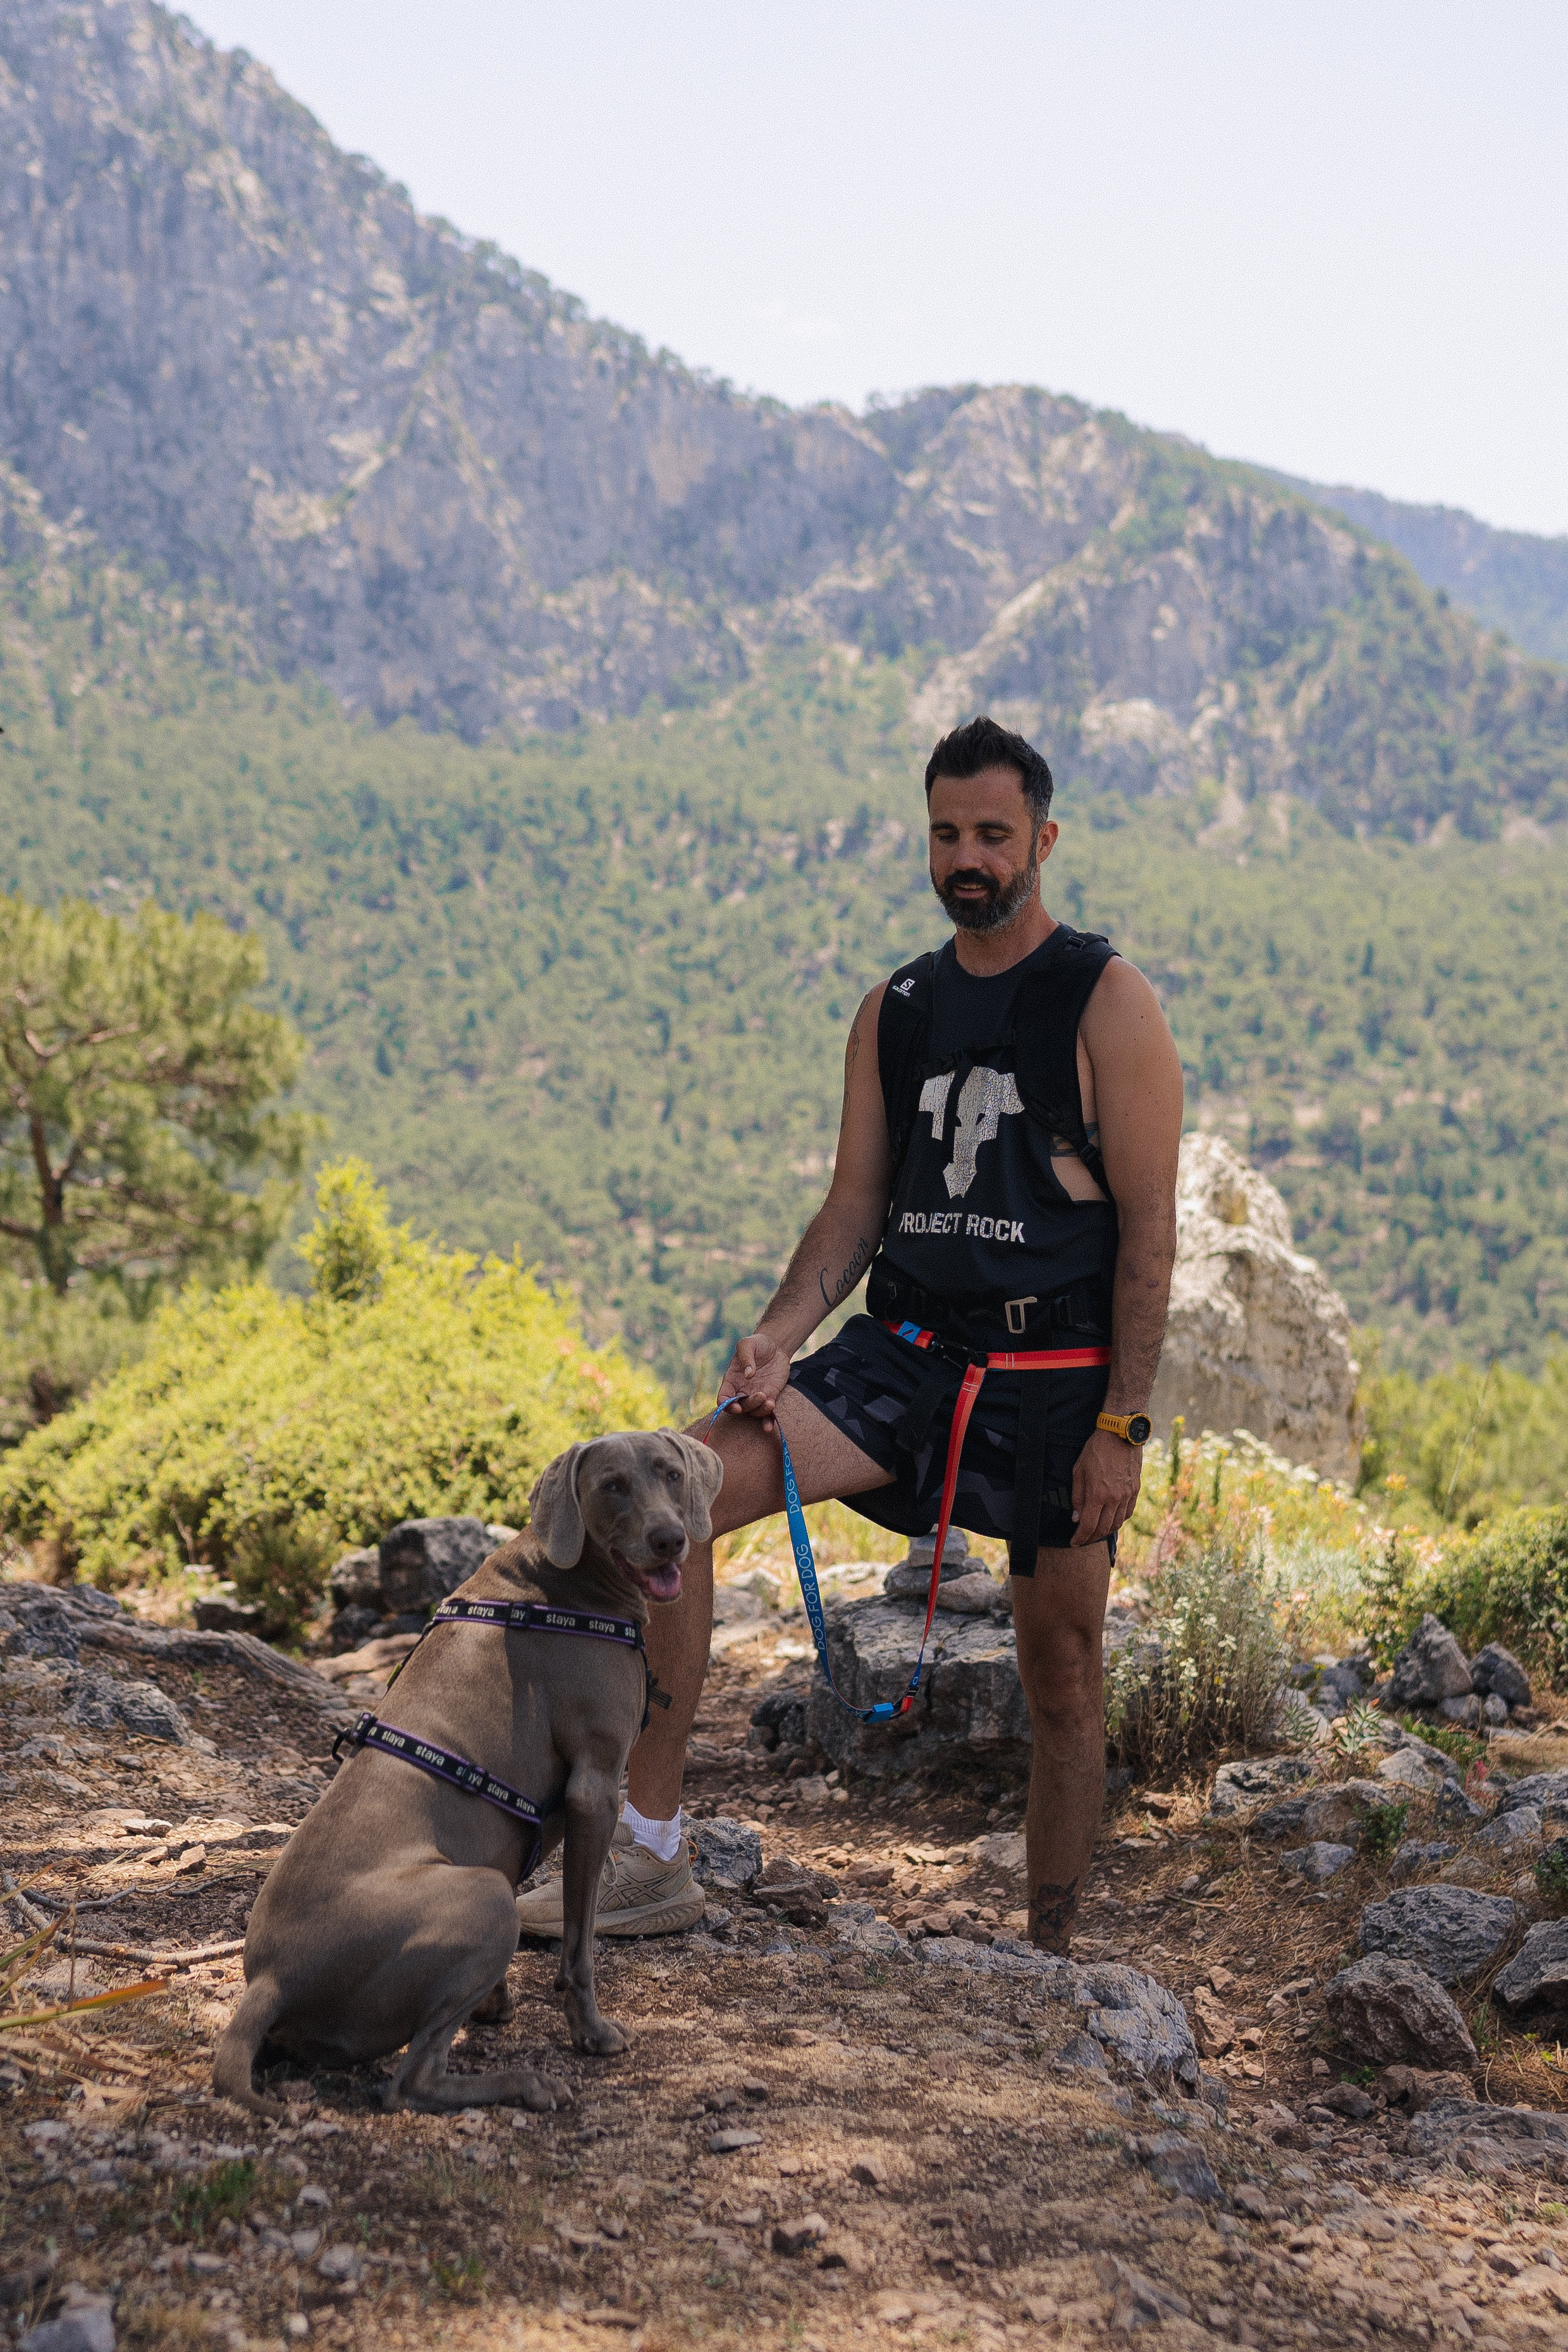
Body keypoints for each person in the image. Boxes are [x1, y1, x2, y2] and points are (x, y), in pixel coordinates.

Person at [517, 714, 1184, 1953]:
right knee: (684, 1490)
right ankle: (649, 1855)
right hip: (906, 1359)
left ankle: (1052, 1956)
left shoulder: (1106, 1000)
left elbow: (1149, 1235)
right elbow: (856, 1206)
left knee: (1064, 1675)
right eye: (945, 834)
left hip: (1053, 1382)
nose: (966, 857)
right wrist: (776, 1334)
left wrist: (1121, 1427)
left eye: (992, 833)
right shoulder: (900, 1009)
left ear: (1043, 838)